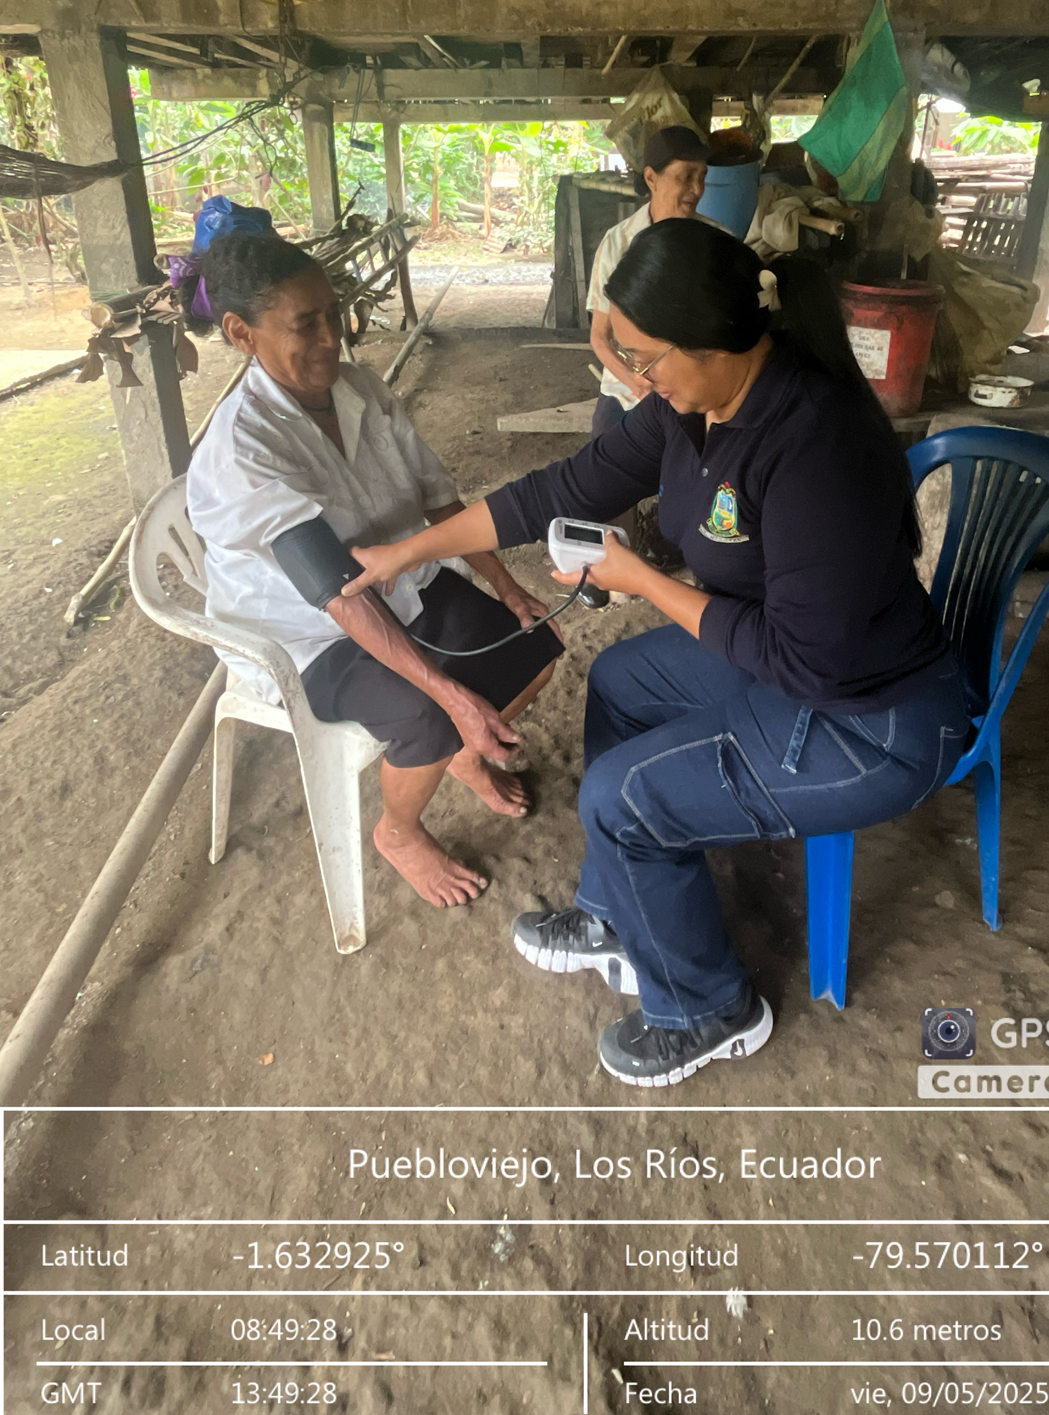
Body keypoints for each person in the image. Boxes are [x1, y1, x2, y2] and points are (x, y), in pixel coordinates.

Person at [342, 223, 971, 1085]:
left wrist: (642, 581)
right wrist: (408, 552)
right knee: (621, 680)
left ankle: (710, 1008)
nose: (636, 377)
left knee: (621, 798)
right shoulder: (694, 405)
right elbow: (561, 488)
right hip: (788, 664)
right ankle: (618, 910)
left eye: (644, 357)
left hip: (869, 720)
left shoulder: (814, 443)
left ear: (713, 337)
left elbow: (804, 659)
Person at [184, 232, 563, 912]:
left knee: (537, 643)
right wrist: (452, 697)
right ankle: (399, 832)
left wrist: (507, 586)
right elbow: (336, 594)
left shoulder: (358, 387)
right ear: (242, 333)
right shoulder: (244, 448)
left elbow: (438, 499)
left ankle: (460, 754)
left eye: (334, 313)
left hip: (398, 582)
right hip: (306, 633)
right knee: (428, 715)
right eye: (306, 323)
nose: (333, 337)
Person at [587, 125, 731, 438]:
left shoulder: (719, 242)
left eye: (702, 176)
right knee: (602, 460)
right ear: (652, 178)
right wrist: (636, 382)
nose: (697, 189)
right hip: (627, 392)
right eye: (686, 176)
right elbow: (600, 337)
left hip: (695, 393)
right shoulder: (618, 243)